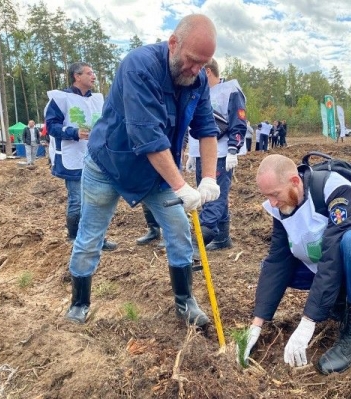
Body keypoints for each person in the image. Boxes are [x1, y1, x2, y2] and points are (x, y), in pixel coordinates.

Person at [63, 14, 221, 326]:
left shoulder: (198, 80)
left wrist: (209, 178)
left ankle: (185, 302)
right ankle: (79, 302)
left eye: (203, 64)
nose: (195, 70)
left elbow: (207, 130)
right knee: (90, 234)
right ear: (173, 44)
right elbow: (148, 137)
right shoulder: (139, 66)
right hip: (108, 165)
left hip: (157, 174)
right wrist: (181, 187)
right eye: (191, 61)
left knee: (178, 229)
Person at [239, 154, 351, 375]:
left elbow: (333, 257)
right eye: (266, 196)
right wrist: (256, 324)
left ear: (294, 181)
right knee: (272, 268)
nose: (272, 203)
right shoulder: (282, 207)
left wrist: (308, 321)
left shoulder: (334, 190)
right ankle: (339, 308)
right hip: (339, 262)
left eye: (274, 195)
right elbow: (278, 260)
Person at [45, 62, 118, 252]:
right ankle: (74, 237)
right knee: (77, 199)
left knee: (97, 199)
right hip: (74, 156)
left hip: (96, 156)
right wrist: (73, 132)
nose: (94, 76)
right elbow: (51, 127)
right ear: (77, 76)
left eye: (93, 73)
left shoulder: (98, 99)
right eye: (89, 73)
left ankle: (98, 238)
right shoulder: (61, 99)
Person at [185, 57, 246, 253]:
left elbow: (239, 120)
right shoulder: (197, 92)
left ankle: (198, 241)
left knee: (214, 196)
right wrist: (191, 155)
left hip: (220, 153)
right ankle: (222, 237)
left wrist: (233, 149)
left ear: (207, 71)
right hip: (201, 152)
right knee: (207, 193)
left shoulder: (230, 90)